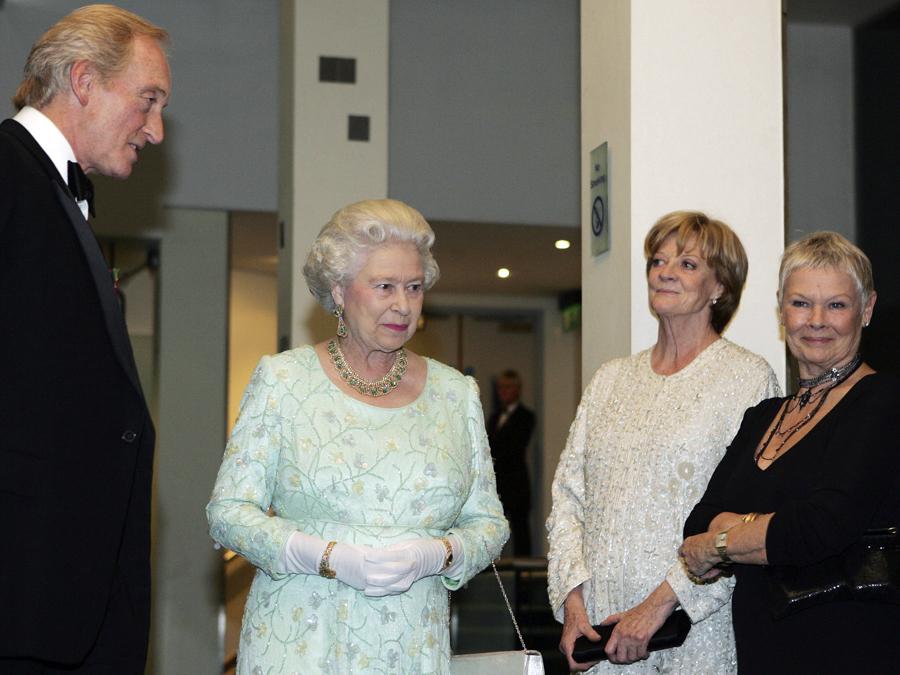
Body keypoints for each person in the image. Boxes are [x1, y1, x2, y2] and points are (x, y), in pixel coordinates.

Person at [207, 198, 509, 674]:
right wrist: (327, 556)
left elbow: (489, 525)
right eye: (384, 286)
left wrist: (439, 553)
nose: (403, 305)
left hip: (411, 645)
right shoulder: (284, 381)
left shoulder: (456, 394)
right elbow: (228, 514)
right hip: (299, 641)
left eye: (414, 287)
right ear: (340, 291)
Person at [0, 5, 169, 673]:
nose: (156, 130)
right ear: (83, 80)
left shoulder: (54, 194)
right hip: (23, 595)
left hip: (70, 602)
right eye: (148, 100)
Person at [547, 211, 781, 673]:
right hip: (601, 632)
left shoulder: (749, 379)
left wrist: (656, 609)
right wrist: (572, 606)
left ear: (720, 288)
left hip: (692, 632)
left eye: (688, 264)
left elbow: (745, 522)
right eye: (658, 260)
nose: (666, 271)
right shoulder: (610, 379)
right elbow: (568, 498)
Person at [680, 232, 900, 674]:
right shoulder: (763, 416)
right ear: (782, 310)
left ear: (867, 309)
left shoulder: (882, 402)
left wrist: (719, 543)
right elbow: (698, 518)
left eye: (836, 305)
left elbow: (818, 527)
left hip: (851, 649)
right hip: (764, 649)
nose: (816, 320)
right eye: (801, 304)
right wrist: (762, 532)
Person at [487, 369, 536, 556]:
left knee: (520, 527)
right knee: (493, 526)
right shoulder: (494, 417)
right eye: (500, 388)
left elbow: (515, 446)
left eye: (507, 387)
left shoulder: (526, 416)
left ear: (517, 390)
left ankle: (525, 576)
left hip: (515, 482)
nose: (503, 392)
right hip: (497, 482)